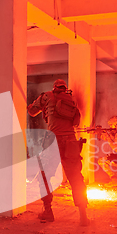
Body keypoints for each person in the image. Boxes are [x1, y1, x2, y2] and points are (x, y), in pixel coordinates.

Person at [27, 79, 90, 226]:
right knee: (76, 178)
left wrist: (31, 106)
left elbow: (32, 112)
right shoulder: (72, 101)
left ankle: (48, 212)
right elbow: (76, 123)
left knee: (44, 176)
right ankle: (83, 216)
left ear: (55, 88)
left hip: (52, 142)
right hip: (71, 142)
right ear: (65, 89)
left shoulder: (47, 96)